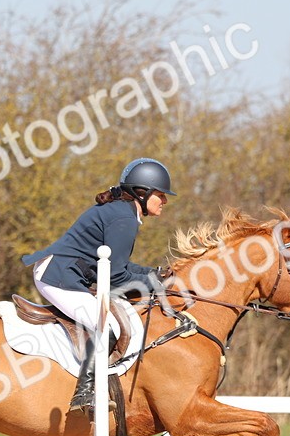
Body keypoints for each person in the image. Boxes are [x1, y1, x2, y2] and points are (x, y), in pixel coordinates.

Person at [21, 158, 175, 414]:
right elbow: (115, 278)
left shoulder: (122, 213)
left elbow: (119, 266)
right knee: (107, 323)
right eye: (161, 195)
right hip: (59, 276)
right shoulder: (123, 219)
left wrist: (153, 274)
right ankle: (84, 393)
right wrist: (153, 283)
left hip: (65, 273)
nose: (165, 201)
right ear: (143, 192)